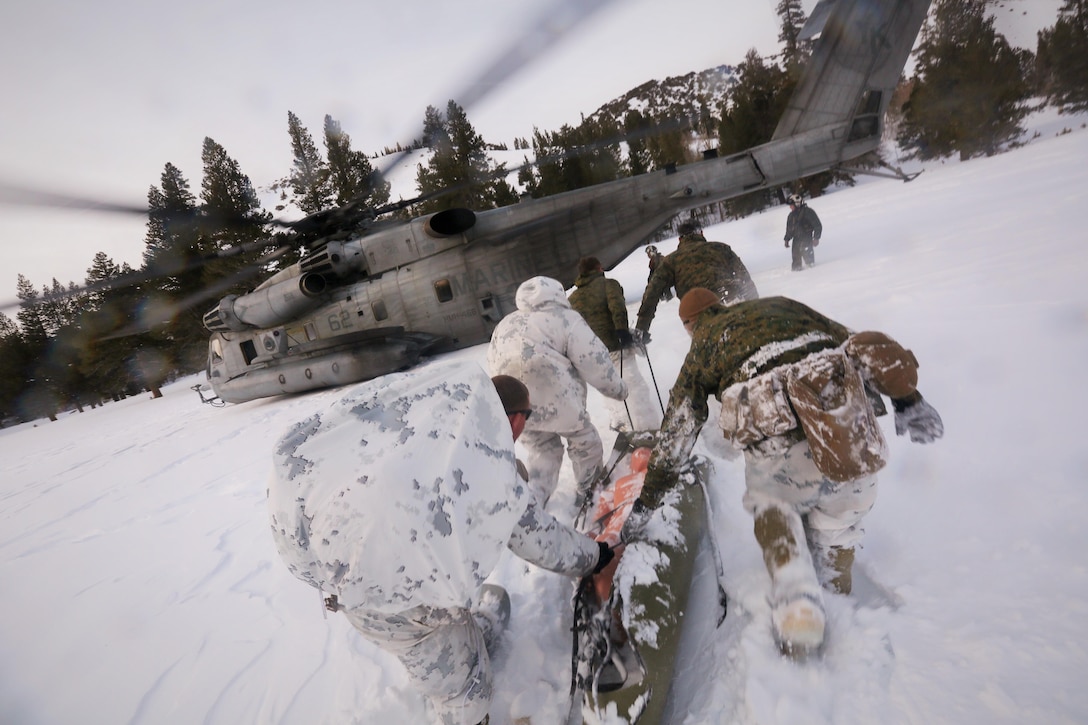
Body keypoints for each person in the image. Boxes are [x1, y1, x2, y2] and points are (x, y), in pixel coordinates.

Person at [267, 362, 615, 725]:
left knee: (426, 629)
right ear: (515, 420)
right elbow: (540, 540)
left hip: (327, 558)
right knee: (463, 690)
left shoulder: (435, 410)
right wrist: (595, 556)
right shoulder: (487, 464)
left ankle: (456, 645)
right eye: (526, 417)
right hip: (398, 600)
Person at [631, 289, 944, 655]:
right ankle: (836, 592)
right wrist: (909, 400)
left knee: (774, 509)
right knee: (840, 523)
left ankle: (798, 604)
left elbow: (679, 428)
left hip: (780, 454)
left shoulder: (705, 343)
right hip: (847, 438)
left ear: (689, 325)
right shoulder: (782, 304)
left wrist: (648, 499)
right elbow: (858, 346)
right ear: (721, 303)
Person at [487, 276, 629, 507]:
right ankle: (589, 496)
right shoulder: (565, 319)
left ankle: (533, 501)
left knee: (543, 451)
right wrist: (618, 390)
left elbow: (493, 362)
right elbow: (594, 361)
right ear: (558, 295)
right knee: (585, 442)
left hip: (518, 406)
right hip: (558, 399)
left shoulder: (505, 324)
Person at [568, 256, 661, 432]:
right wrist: (623, 333)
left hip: (594, 354)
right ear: (599, 268)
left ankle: (622, 424)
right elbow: (617, 307)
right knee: (634, 386)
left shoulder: (573, 298)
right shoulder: (608, 285)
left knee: (610, 389)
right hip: (616, 346)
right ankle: (648, 429)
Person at [635, 221, 758, 337]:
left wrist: (642, 328)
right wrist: (756, 308)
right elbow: (745, 279)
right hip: (732, 301)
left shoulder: (671, 261)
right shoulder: (721, 248)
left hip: (698, 314)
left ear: (680, 239)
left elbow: (652, 292)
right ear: (701, 233)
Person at [783, 193, 823, 271]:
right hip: (796, 240)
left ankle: (813, 273)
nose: (790, 207)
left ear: (797, 204)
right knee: (796, 263)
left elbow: (817, 225)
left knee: (809, 263)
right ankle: (796, 275)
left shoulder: (808, 212)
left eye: (791, 205)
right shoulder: (791, 216)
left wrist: (816, 238)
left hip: (806, 238)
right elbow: (789, 229)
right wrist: (787, 239)